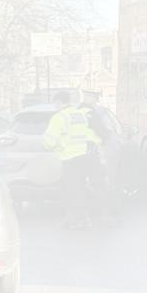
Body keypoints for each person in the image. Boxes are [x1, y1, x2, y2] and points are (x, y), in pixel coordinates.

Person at [43, 91, 101, 229]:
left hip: (69, 158)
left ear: (58, 102)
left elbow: (49, 141)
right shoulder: (80, 114)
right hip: (84, 158)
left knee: (71, 189)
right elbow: (90, 134)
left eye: (54, 103)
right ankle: (80, 218)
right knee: (79, 188)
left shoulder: (59, 117)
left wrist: (54, 147)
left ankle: (77, 220)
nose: (54, 106)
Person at [76, 89, 118, 226]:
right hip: (91, 153)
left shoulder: (75, 112)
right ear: (92, 98)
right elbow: (101, 131)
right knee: (100, 183)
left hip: (75, 155)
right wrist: (106, 137)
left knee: (78, 185)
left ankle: (80, 216)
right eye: (94, 98)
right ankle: (104, 215)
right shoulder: (91, 113)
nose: (95, 101)